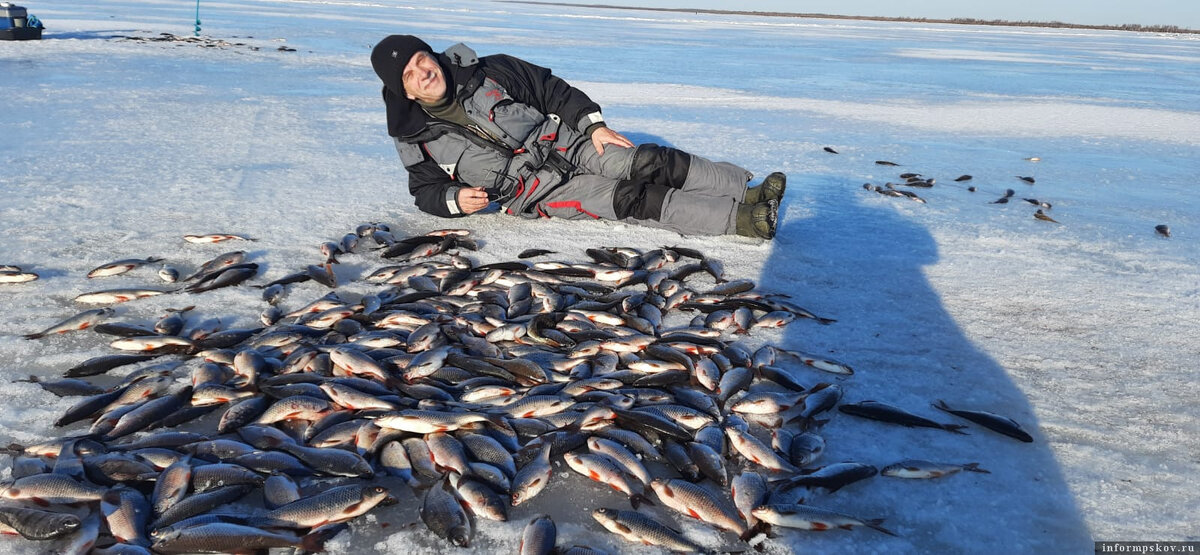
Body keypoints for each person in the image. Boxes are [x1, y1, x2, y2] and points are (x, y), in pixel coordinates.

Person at [369, 35, 784, 239]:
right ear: (404, 91)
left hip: (568, 142)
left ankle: (744, 190)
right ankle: (742, 221)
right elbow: (424, 190)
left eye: (422, 59)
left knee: (650, 160)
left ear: (434, 56)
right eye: (409, 74)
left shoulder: (489, 70)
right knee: (629, 197)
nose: (423, 72)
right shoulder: (412, 135)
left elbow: (552, 89)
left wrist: (593, 126)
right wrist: (454, 200)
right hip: (534, 192)